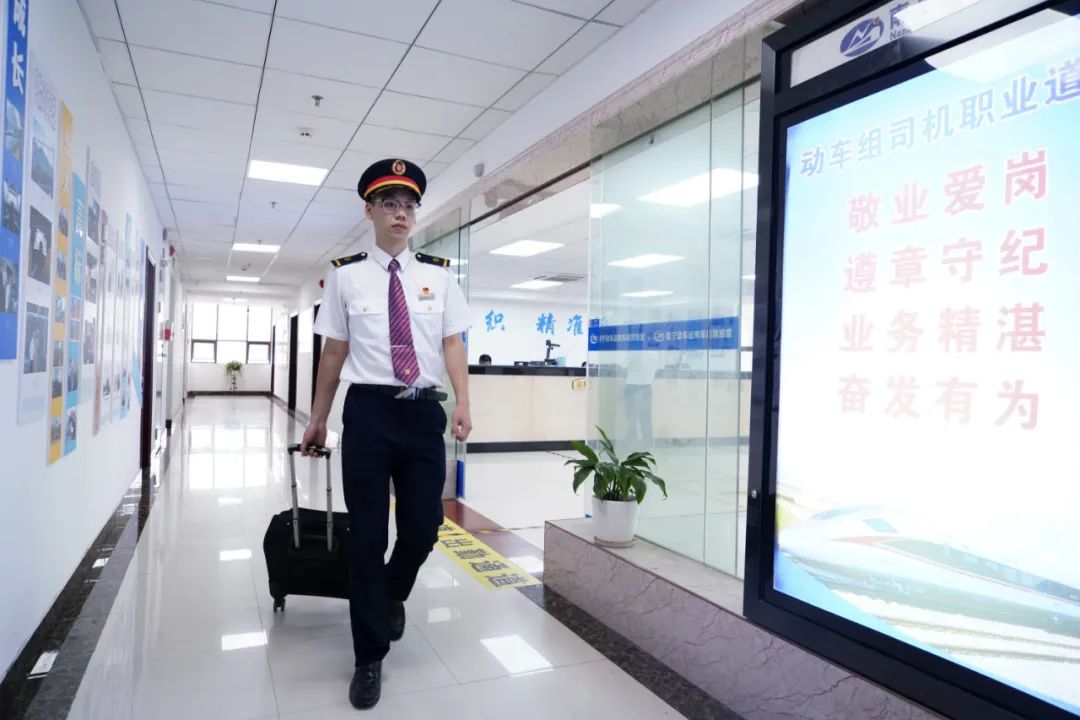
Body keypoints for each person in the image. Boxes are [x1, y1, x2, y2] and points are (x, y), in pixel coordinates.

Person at [301, 158, 472, 710]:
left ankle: (391, 593)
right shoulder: (346, 276)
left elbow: (452, 343)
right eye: (389, 204)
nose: (401, 214)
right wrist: (318, 417)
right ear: (369, 211)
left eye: (408, 205)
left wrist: (464, 402)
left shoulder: (439, 276)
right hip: (369, 414)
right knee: (368, 537)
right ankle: (368, 656)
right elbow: (334, 352)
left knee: (424, 527)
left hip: (423, 416)